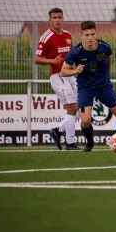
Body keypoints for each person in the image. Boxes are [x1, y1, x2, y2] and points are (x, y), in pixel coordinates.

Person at [61, 21, 116, 152]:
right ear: (81, 35)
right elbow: (63, 71)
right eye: (86, 35)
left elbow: (108, 58)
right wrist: (75, 71)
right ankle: (90, 143)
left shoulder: (104, 47)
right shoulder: (75, 52)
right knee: (85, 121)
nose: (90, 38)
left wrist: (107, 75)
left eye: (92, 34)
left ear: (95, 33)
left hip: (104, 86)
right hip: (86, 88)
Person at [34, 8, 79, 150]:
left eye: (60, 17)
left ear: (63, 18)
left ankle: (58, 131)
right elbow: (37, 59)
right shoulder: (46, 37)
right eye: (54, 18)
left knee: (79, 109)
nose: (57, 20)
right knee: (72, 108)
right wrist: (51, 61)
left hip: (70, 75)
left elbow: (72, 55)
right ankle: (70, 143)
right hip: (57, 76)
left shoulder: (67, 35)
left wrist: (78, 69)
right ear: (50, 20)